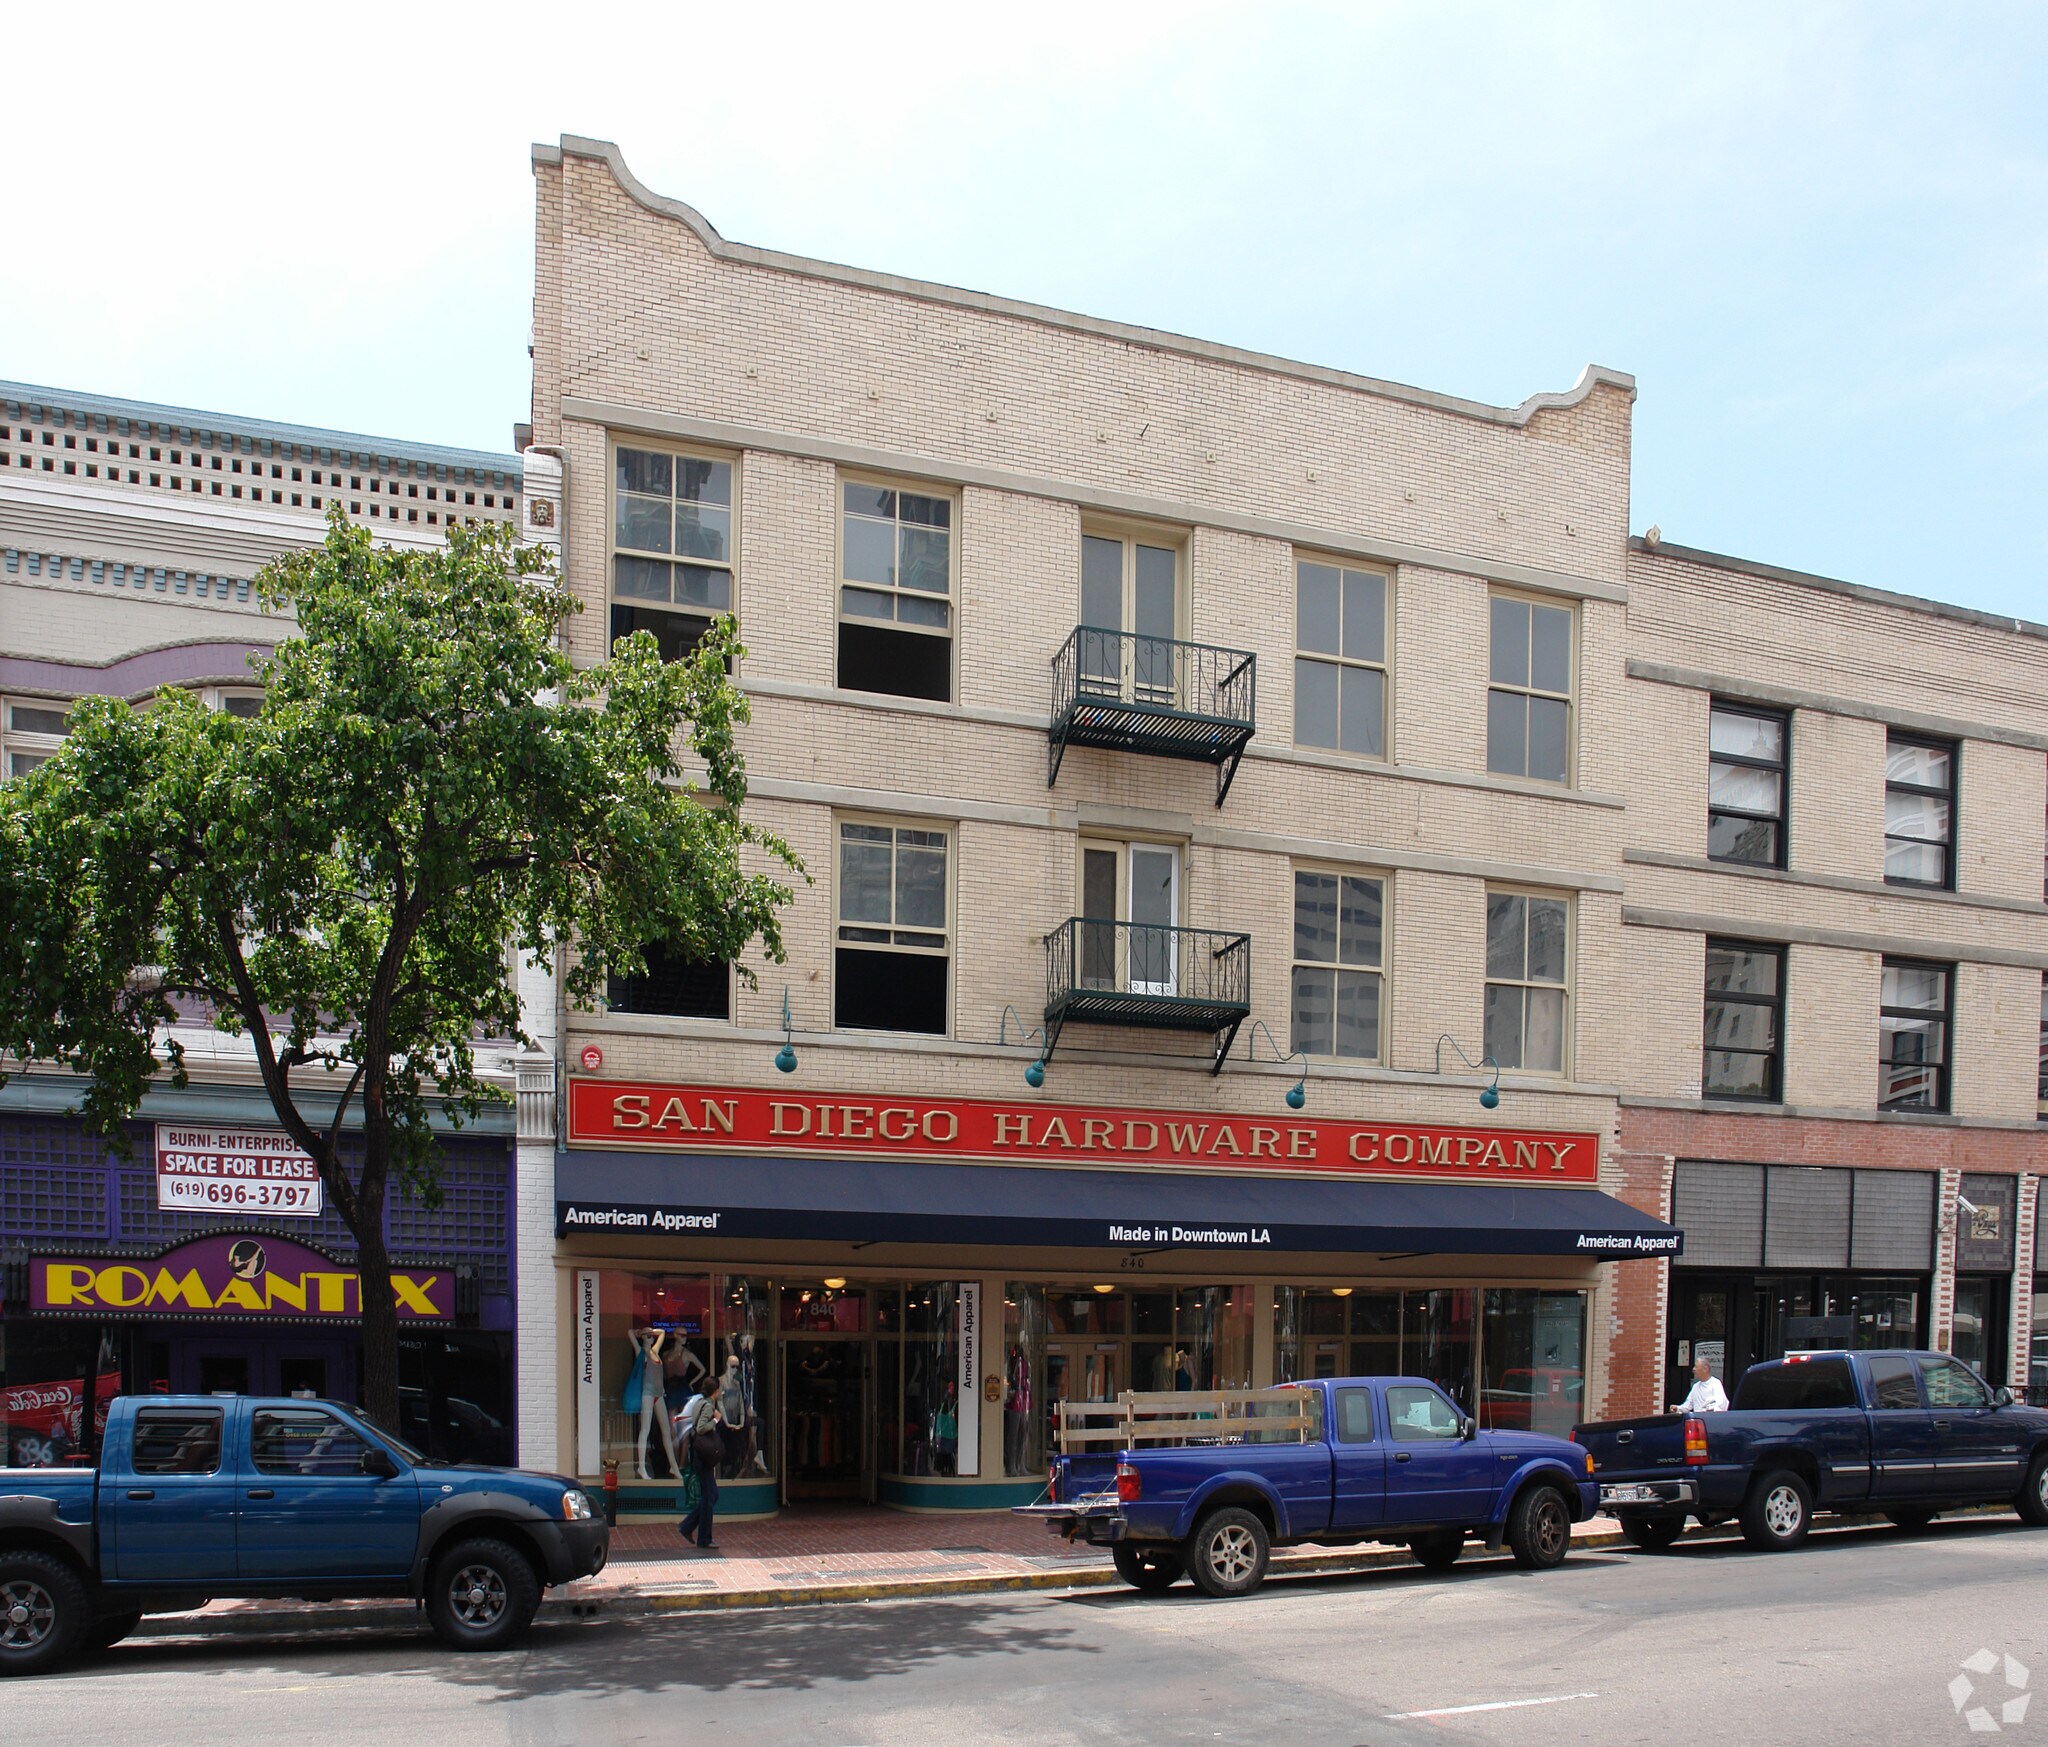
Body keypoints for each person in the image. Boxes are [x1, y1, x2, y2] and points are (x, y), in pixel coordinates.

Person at [676, 1390, 727, 1550]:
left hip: (699, 1457)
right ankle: (703, 1538)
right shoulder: (707, 1406)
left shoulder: (699, 1402)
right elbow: (702, 1427)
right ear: (716, 1391)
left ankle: (688, 1526)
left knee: (711, 1496)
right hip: (703, 1457)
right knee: (710, 1496)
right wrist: (716, 1420)